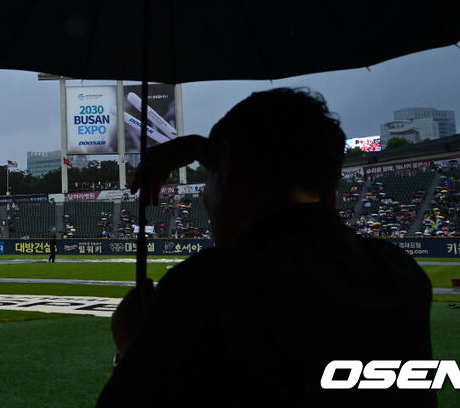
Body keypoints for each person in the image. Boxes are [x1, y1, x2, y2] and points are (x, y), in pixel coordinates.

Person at [97, 88, 435, 407]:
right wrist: (209, 152)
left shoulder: (204, 286)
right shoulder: (400, 273)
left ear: (228, 169)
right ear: (332, 192)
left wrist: (131, 347)